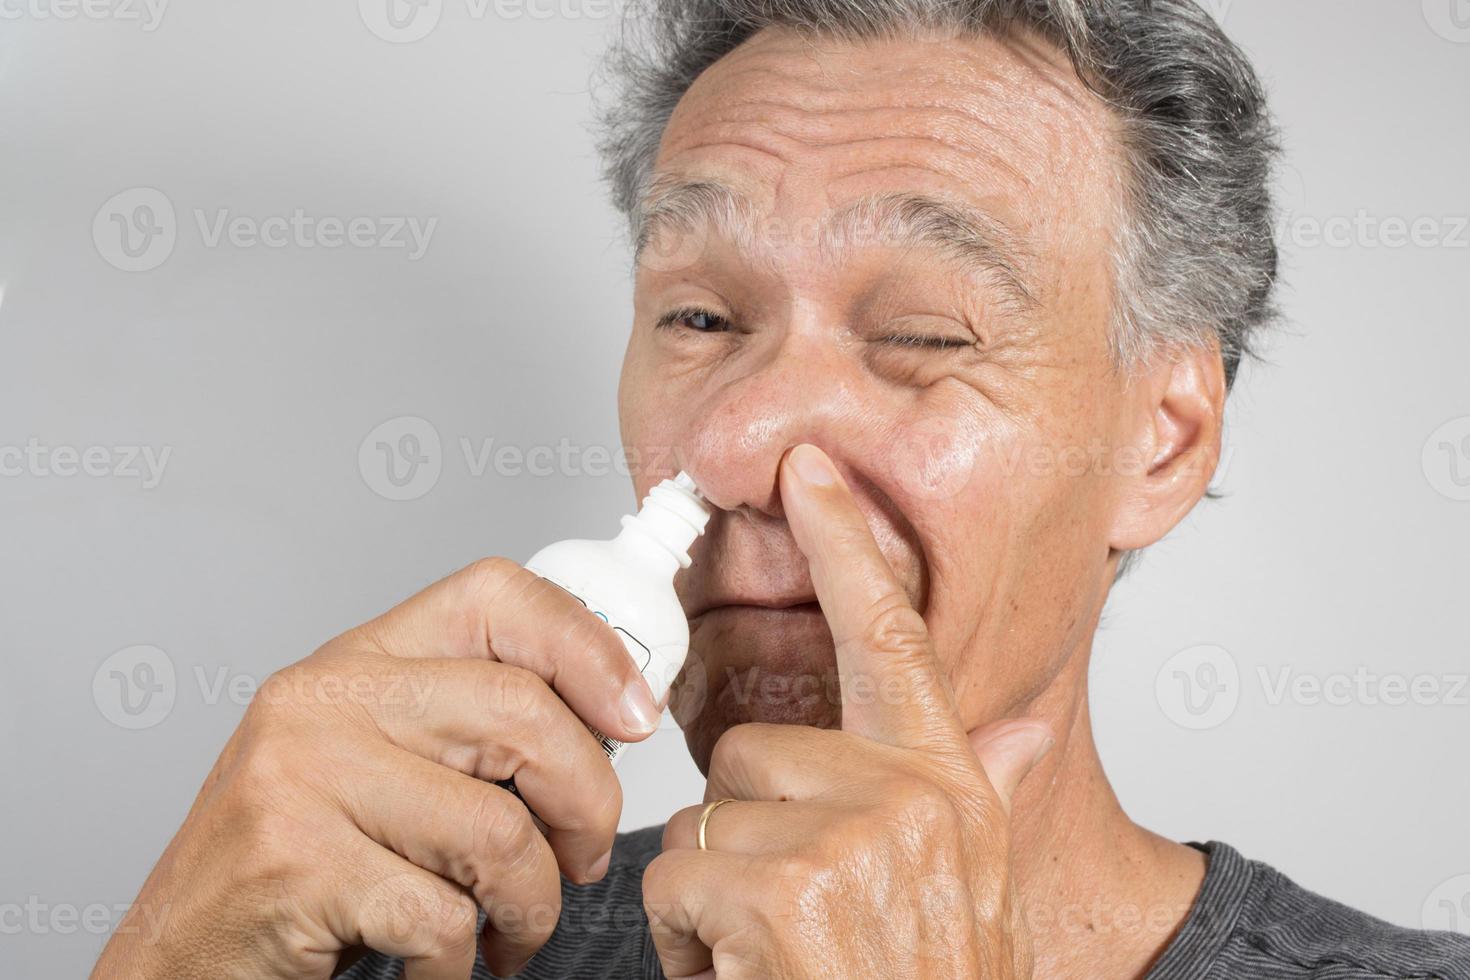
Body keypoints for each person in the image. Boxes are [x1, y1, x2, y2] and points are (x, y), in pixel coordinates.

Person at [93, 1, 1470, 977]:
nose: (736, 447)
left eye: (922, 337)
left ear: (1158, 444)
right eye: (697, 320)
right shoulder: (425, 939)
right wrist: (176, 953)